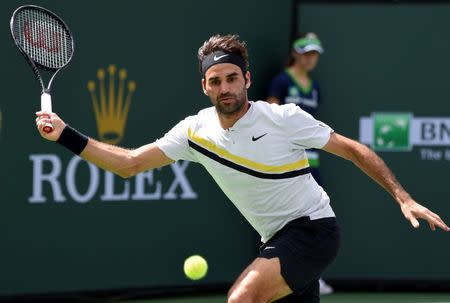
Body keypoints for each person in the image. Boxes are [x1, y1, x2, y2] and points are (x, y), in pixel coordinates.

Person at [36, 34, 449, 303]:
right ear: (205, 86)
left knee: (240, 300)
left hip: (313, 230)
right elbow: (130, 164)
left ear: (247, 79)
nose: (225, 88)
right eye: (215, 81)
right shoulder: (194, 131)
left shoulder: (283, 117)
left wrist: (404, 197)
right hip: (274, 238)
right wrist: (66, 135)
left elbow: (355, 150)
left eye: (232, 78)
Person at [267, 32, 332, 295]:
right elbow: (269, 117)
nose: (311, 58)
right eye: (307, 53)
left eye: (315, 54)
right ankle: (277, 277)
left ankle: (312, 278)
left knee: (316, 219)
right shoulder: (281, 81)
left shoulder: (314, 86)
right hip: (284, 163)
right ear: (296, 53)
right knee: (283, 221)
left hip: (311, 164)